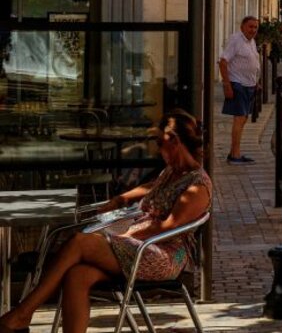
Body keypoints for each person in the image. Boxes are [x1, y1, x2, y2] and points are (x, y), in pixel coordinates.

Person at [0, 110, 212, 333]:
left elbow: (167, 226)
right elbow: (153, 187)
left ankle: (23, 313)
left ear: (175, 141)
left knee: (80, 242)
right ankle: (23, 316)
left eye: (160, 142)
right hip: (141, 245)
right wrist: (121, 198)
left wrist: (124, 236)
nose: (157, 148)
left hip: (163, 254)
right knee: (77, 275)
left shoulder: (198, 186)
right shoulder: (173, 172)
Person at [219, 15, 261, 165]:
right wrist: (227, 84)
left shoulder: (251, 41)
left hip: (249, 85)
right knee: (239, 119)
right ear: (242, 27)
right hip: (238, 85)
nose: (253, 30)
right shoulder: (236, 40)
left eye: (255, 27)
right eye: (250, 26)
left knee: (243, 120)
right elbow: (223, 62)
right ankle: (235, 155)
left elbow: (253, 62)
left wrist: (256, 82)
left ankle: (234, 152)